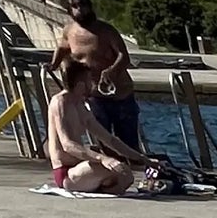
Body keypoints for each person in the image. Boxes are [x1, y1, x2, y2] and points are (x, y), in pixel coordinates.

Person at [46, 57, 155, 193]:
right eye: (89, 80)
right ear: (80, 84)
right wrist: (103, 158)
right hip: (67, 172)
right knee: (120, 172)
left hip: (81, 168)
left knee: (125, 175)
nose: (93, 83)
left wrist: (142, 158)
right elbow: (68, 145)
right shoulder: (59, 103)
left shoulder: (81, 106)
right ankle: (103, 185)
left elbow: (109, 139)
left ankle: (103, 187)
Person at [52, 0, 142, 154]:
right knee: (104, 143)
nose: (80, 10)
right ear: (70, 10)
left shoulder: (106, 30)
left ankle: (136, 168)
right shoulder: (69, 31)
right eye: (76, 7)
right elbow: (62, 48)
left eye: (83, 6)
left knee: (129, 142)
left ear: (90, 7)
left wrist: (111, 71)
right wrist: (52, 65)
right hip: (94, 95)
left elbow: (124, 56)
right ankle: (111, 172)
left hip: (120, 94)